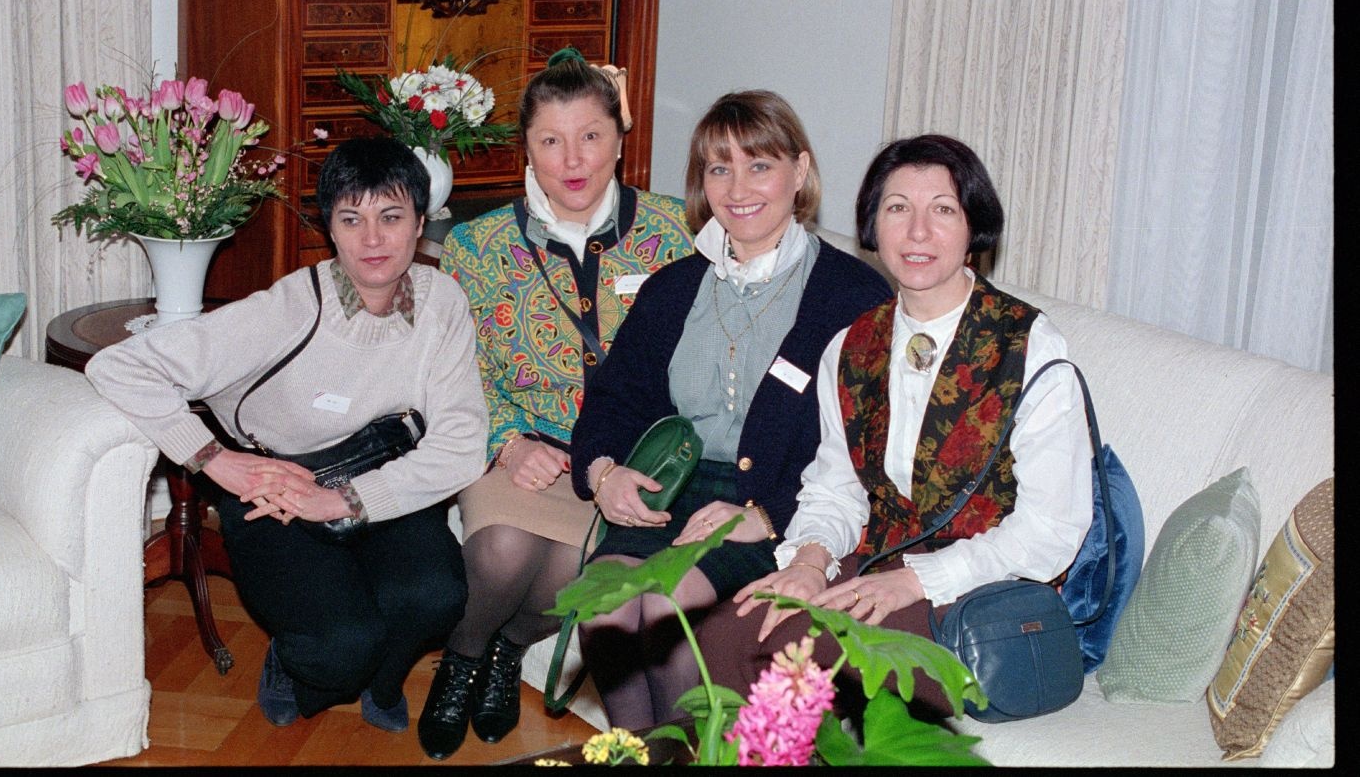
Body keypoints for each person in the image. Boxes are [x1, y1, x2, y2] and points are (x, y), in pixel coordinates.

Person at [85, 135, 488, 733]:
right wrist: (214, 460)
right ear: (330, 228)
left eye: (392, 217)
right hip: (274, 491)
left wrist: (348, 501)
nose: (373, 240)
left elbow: (460, 443)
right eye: (352, 219)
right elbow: (118, 365)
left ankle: (381, 681)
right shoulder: (291, 308)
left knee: (435, 596)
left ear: (421, 223)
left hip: (377, 473)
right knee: (339, 649)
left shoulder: (442, 302)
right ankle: (305, 668)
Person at [699, 133, 1094, 721]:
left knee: (807, 656)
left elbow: (1052, 529)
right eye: (897, 208)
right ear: (872, 225)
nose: (917, 232)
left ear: (973, 229)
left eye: (942, 209)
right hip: (879, 565)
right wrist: (809, 562)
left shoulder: (1030, 348)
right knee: (728, 630)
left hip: (982, 593)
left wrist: (917, 581)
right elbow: (837, 485)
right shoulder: (852, 345)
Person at [565, 90, 893, 730]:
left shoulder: (852, 295)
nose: (738, 187)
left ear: (799, 172)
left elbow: (861, 449)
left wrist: (765, 514)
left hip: (768, 506)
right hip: (667, 491)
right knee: (604, 610)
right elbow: (614, 396)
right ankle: (640, 750)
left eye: (759, 165)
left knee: (665, 611)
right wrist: (606, 474)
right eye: (719, 168)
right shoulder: (675, 287)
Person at [418, 48, 694, 759]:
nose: (573, 159)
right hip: (519, 450)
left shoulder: (674, 232)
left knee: (575, 573)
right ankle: (465, 652)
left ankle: (509, 647)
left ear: (620, 139)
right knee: (505, 550)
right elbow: (457, 369)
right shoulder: (474, 247)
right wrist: (509, 441)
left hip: (623, 463)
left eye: (591, 135)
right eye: (551, 140)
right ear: (527, 151)